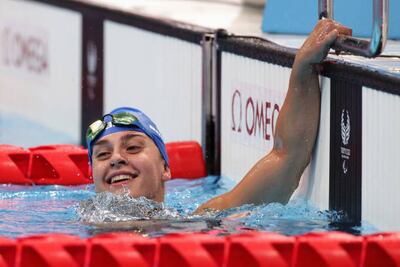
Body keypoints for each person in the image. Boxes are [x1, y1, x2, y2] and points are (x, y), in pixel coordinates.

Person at [86, 19, 351, 214]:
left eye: (132, 147)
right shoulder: (71, 235)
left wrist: (303, 66)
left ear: (166, 168)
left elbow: (287, 158)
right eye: (102, 154)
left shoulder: (199, 224)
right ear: (92, 175)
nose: (117, 158)